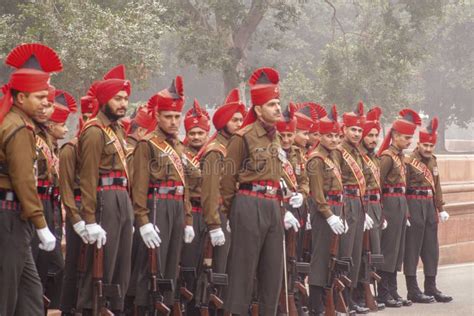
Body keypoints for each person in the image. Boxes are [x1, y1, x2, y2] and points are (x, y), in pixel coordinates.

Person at [220, 67, 299, 315]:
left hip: (273, 205)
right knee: (243, 271)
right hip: (248, 203)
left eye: (278, 102)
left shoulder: (275, 139)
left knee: (273, 270)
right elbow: (227, 181)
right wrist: (233, 214)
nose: (278, 108)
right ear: (257, 109)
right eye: (272, 104)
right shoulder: (242, 137)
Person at [0, 43, 62, 315]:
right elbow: (24, 180)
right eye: (39, 97)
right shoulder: (18, 127)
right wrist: (41, 223)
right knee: (6, 294)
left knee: (30, 294)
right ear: (21, 97)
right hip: (10, 216)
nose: (44, 102)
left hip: (15, 218)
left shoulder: (20, 123)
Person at [132, 76, 195, 313]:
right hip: (156, 205)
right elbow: (138, 187)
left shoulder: (179, 146)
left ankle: (165, 308)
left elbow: (185, 186)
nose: (173, 121)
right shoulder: (146, 144)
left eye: (177, 117)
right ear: (157, 116)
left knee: (170, 267)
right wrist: (143, 221)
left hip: (177, 206)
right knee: (150, 267)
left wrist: (188, 219)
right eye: (168, 116)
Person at [76, 64, 134, 314]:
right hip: (104, 199)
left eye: (125, 99)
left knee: (121, 267)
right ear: (104, 100)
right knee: (101, 267)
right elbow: (88, 178)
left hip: (122, 198)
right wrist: (88, 219)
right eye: (118, 98)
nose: (123, 103)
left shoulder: (118, 130)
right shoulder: (94, 131)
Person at [376, 108, 422, 308]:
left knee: (398, 250)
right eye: (406, 137)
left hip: (401, 203)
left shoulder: (400, 156)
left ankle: (393, 289)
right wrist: (382, 212)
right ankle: (384, 291)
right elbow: (378, 183)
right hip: (390, 203)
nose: (409, 141)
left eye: (411, 137)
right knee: (389, 249)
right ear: (394, 136)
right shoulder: (387, 157)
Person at [404, 117, 453, 303]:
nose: (428, 149)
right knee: (412, 248)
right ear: (419, 143)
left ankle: (431, 287)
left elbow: (437, 186)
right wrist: (406, 212)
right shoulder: (409, 161)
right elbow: (403, 187)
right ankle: (412, 289)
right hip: (414, 203)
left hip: (429, 205)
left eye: (431, 145)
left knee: (431, 248)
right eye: (425, 145)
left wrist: (440, 207)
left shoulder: (433, 160)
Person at [306, 105, 346, 315]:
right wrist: (330, 216)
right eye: (329, 135)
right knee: (321, 258)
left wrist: (343, 215)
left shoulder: (334, 156)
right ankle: (316, 306)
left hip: (336, 210)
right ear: (320, 135)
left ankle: (326, 303)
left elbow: (340, 188)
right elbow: (317, 193)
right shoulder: (316, 159)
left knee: (332, 259)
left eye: (336, 136)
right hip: (324, 213)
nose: (333, 140)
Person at [331, 102, 371, 314]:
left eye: (359, 130)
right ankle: (340, 297)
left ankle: (351, 296)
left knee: (355, 253)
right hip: (345, 203)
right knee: (344, 253)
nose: (356, 133)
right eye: (352, 129)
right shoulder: (339, 151)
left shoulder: (357, 153)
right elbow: (337, 180)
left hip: (359, 203)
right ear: (344, 130)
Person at [59, 91, 95, 315]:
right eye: (88, 114)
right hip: (78, 211)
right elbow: (67, 189)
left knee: (93, 265)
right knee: (73, 263)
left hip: (96, 210)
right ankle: (67, 308)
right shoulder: (71, 148)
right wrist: (75, 218)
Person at [180, 98, 211, 315]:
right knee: (188, 266)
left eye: (200, 133)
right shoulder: (180, 155)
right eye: (192, 133)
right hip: (191, 214)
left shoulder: (214, 154)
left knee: (208, 268)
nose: (196, 137)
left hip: (211, 215)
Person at [356, 106, 386, 309]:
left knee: (373, 252)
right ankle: (358, 294)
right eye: (370, 135)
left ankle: (369, 293)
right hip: (363, 205)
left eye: (376, 135)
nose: (374, 139)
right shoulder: (357, 158)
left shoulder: (375, 157)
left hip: (375, 206)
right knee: (360, 253)